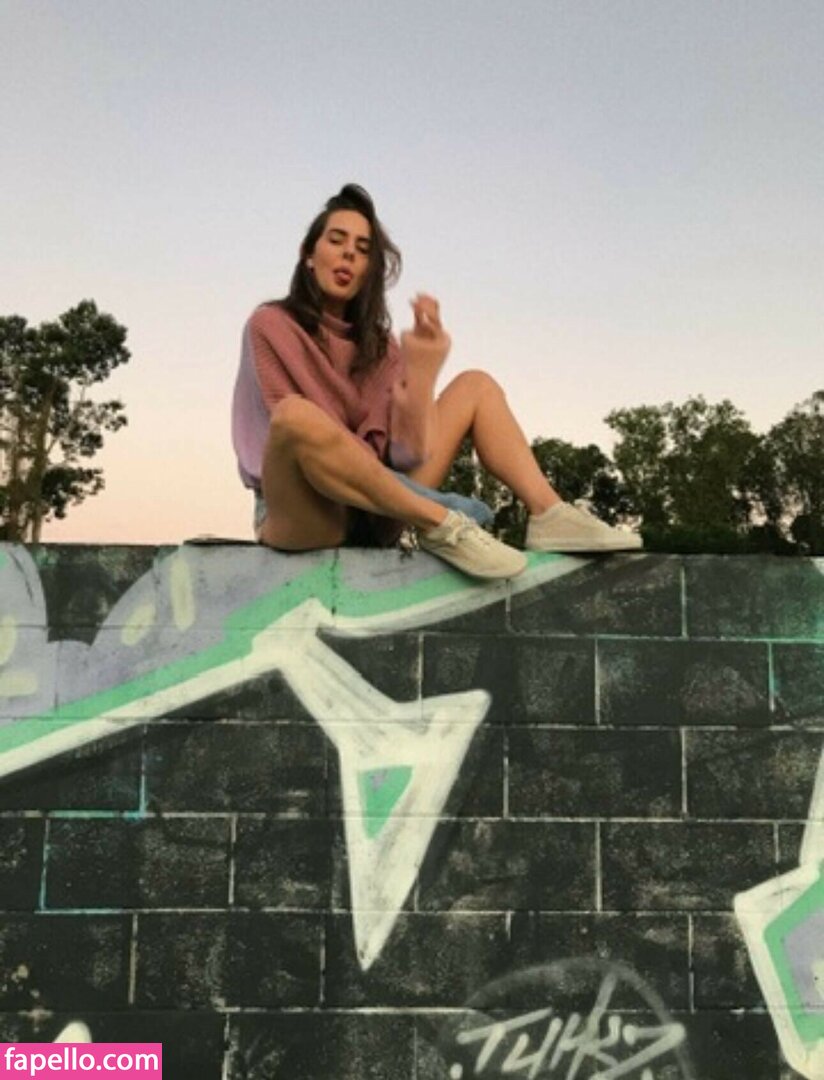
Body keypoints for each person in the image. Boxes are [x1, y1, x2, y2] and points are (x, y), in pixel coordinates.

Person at [232, 184, 641, 579]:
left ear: (369, 270)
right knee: (294, 416)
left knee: (476, 385)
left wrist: (421, 373)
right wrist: (428, 501)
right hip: (309, 512)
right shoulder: (270, 325)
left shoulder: (381, 347)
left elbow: (404, 456)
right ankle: (442, 524)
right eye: (336, 240)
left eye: (363, 249)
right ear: (308, 253)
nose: (348, 254)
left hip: (379, 508)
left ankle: (549, 513)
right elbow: (302, 441)